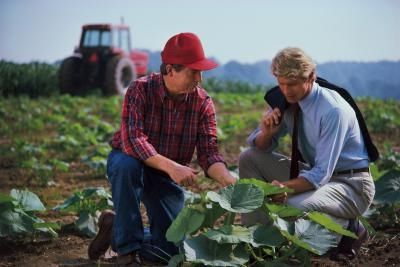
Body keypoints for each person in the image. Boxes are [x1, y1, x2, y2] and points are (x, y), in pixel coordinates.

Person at [88, 32, 236, 265]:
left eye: (201, 71)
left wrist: (228, 179)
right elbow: (133, 141)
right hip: (132, 162)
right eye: (193, 71)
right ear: (170, 70)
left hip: (165, 176)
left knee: (171, 251)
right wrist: (173, 167)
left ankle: (116, 230)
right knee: (127, 165)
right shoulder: (139, 89)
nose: (199, 78)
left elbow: (209, 153)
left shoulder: (203, 102)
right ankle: (125, 251)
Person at [239, 47, 375, 258]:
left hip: (351, 185)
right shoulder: (286, 100)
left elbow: (321, 173)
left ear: (312, 76)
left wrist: (284, 187)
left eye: (292, 83)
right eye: (281, 83)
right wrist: (266, 133)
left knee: (290, 205)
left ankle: (348, 229)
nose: (286, 90)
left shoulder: (333, 110)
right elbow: (259, 146)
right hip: (319, 178)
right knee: (249, 158)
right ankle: (258, 239)